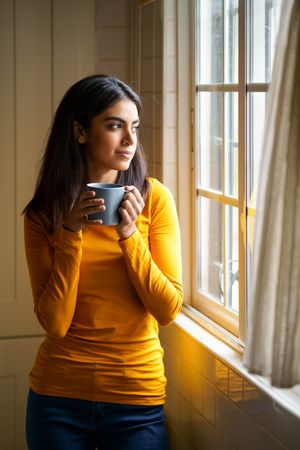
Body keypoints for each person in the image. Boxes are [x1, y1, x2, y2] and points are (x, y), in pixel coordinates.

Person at [23, 74, 183, 450]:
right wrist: (70, 235)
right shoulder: (44, 214)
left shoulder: (153, 198)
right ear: (80, 132)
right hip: (57, 398)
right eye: (115, 126)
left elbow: (168, 309)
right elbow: (56, 324)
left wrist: (130, 237)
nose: (130, 140)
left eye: (135, 127)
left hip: (136, 400)